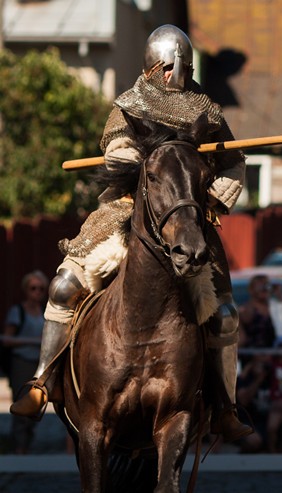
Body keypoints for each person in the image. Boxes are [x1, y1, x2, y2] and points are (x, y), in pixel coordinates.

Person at [10, 24, 251, 442]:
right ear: (156, 64)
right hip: (129, 212)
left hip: (189, 218)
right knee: (64, 286)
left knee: (224, 315)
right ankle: (41, 382)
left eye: (182, 66)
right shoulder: (131, 103)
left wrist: (217, 188)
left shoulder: (207, 112)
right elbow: (116, 146)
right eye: (171, 65)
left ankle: (224, 407)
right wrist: (136, 156)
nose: (176, 72)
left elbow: (233, 162)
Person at [3, 271, 48, 454]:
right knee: (21, 405)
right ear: (26, 290)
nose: (37, 292)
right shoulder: (18, 312)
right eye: (33, 288)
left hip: (39, 364)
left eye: (41, 289)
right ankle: (19, 449)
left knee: (35, 407)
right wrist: (33, 341)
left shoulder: (46, 311)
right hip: (21, 362)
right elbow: (7, 339)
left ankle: (27, 446)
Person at [239, 274, 277, 350]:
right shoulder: (245, 310)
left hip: (277, 355)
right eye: (260, 286)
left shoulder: (276, 308)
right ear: (251, 290)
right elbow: (241, 339)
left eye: (266, 285)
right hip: (254, 355)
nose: (264, 288)